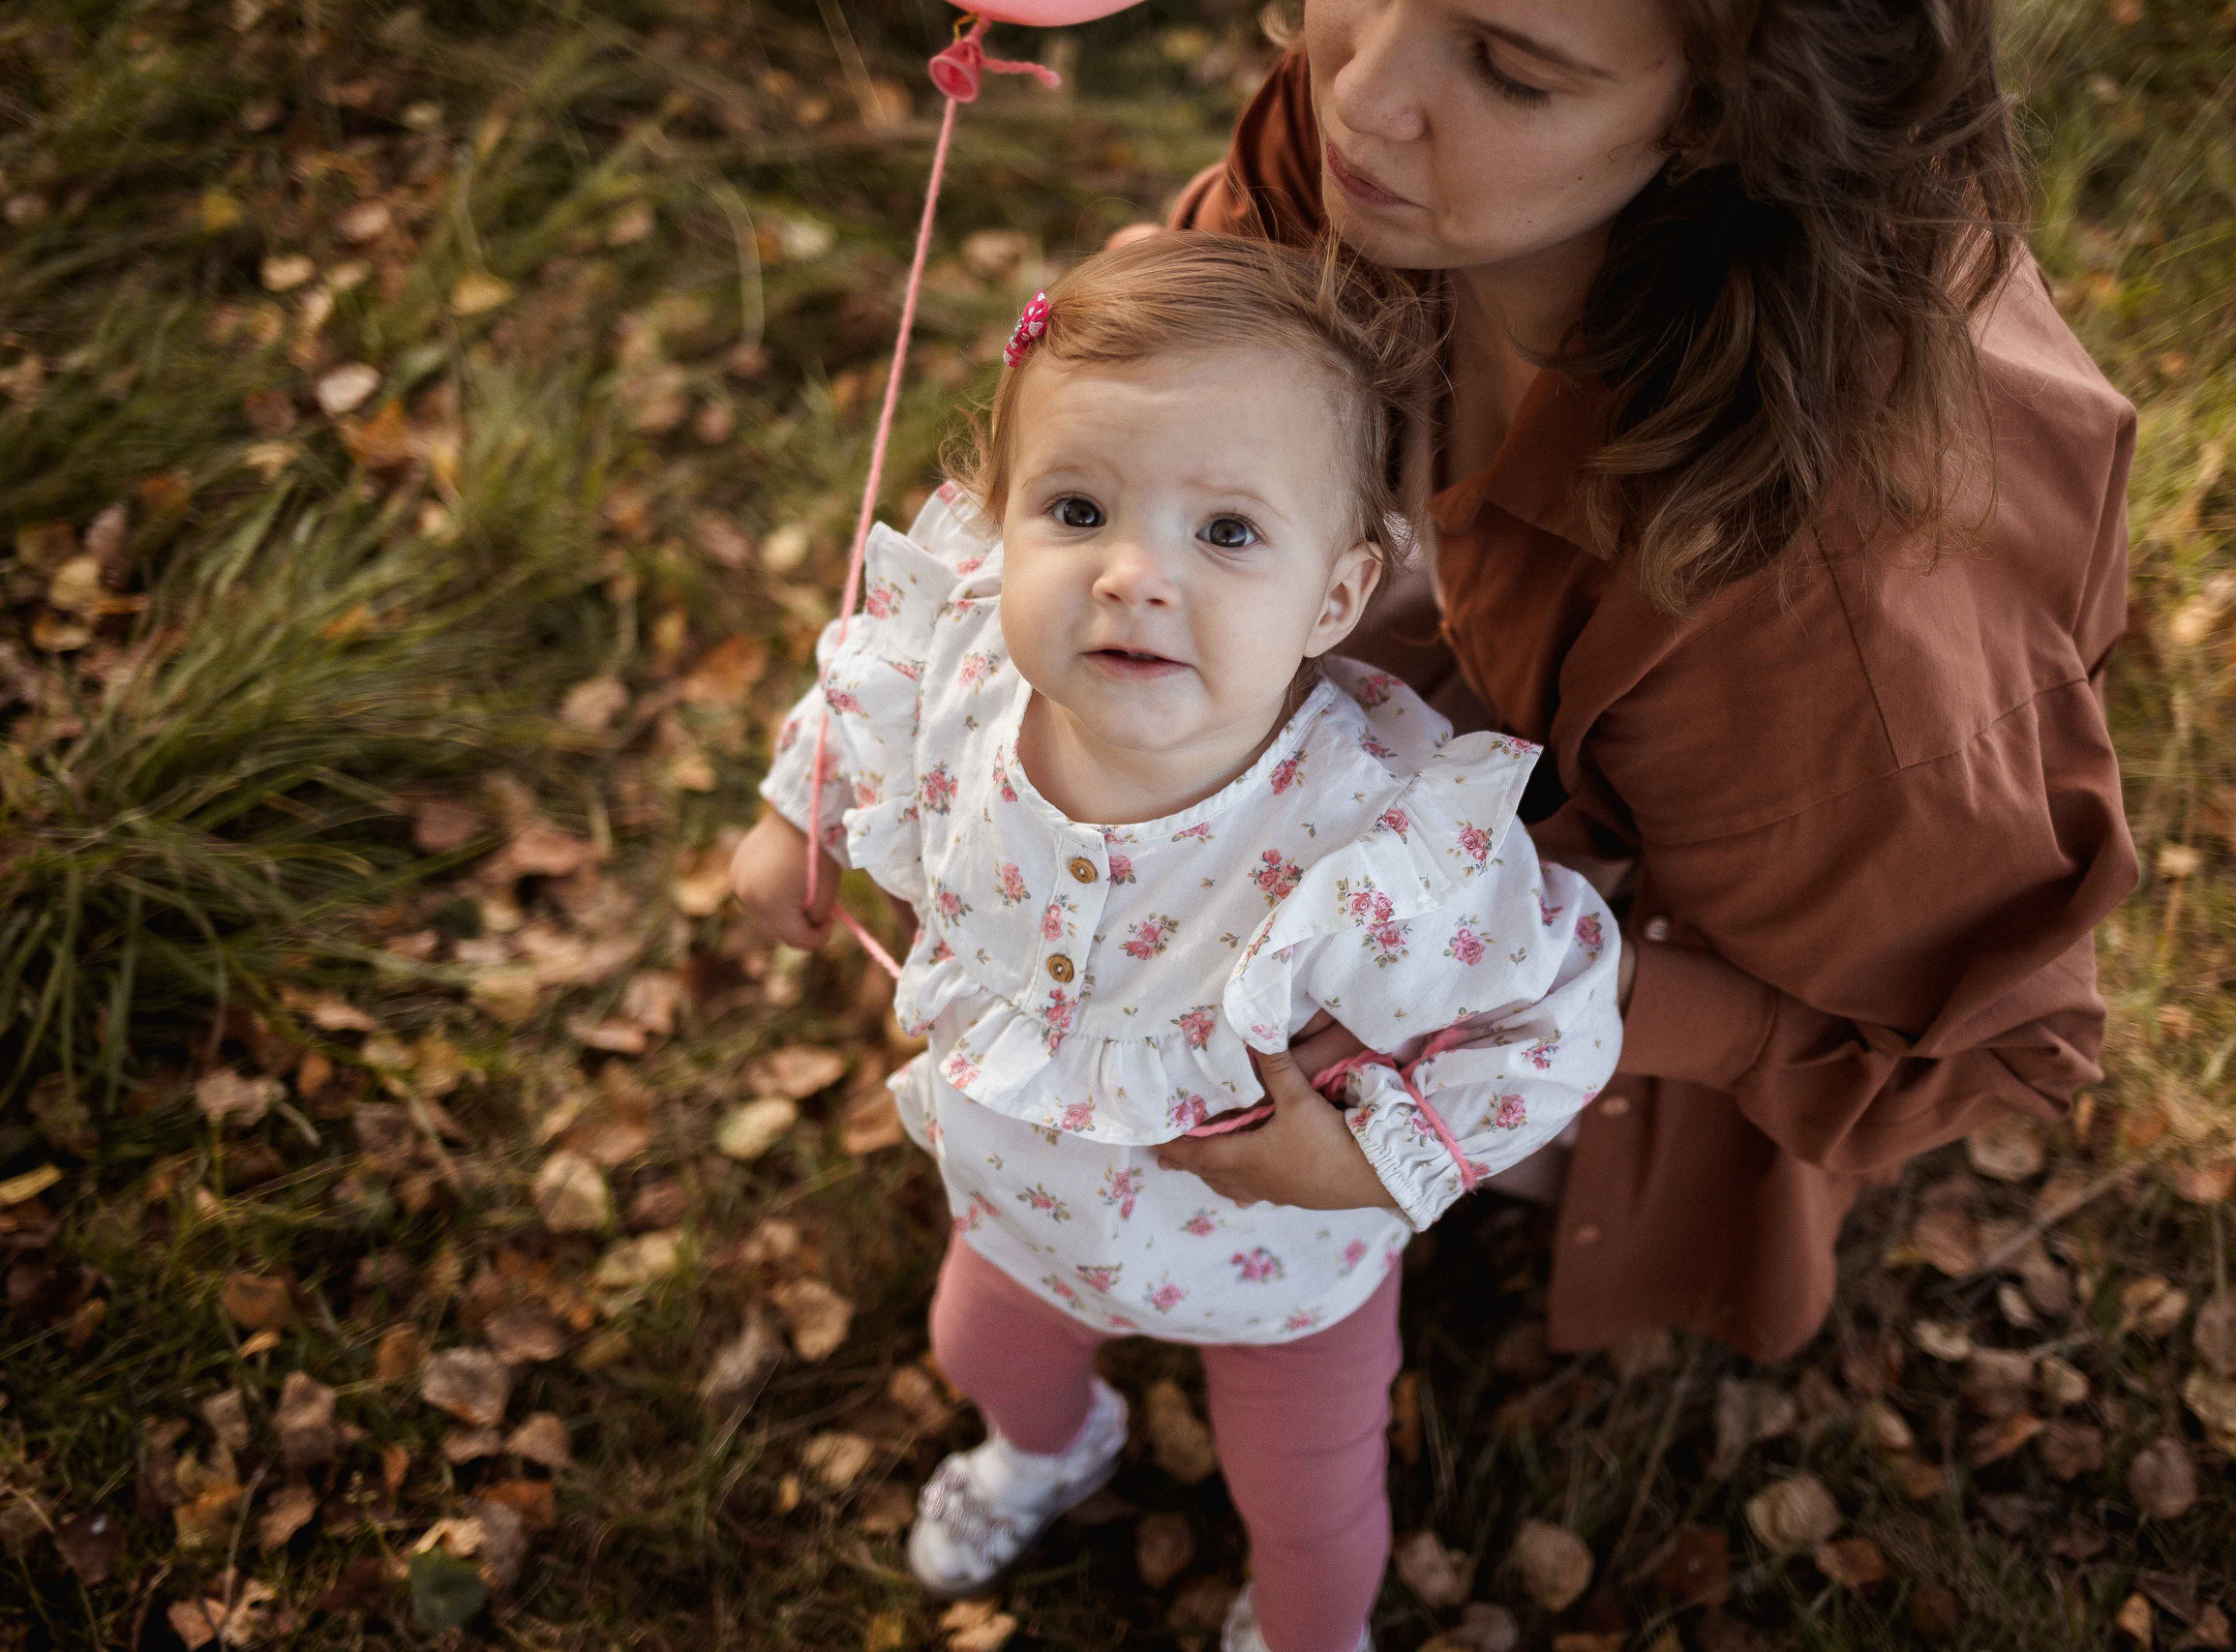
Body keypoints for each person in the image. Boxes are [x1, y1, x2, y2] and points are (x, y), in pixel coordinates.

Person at [1147, 0, 2141, 1364]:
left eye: (1511, 71)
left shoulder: (1805, 626)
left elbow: (1988, 1048)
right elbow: (1183, 361)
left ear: (1731, 122)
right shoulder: (1381, 144)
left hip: (1718, 874)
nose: (1358, 95)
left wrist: (1537, 1005)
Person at [730, 233, 1625, 1652]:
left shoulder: (1369, 839)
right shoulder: (968, 669)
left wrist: (1369, 1163)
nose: (1135, 575)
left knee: (1310, 1506)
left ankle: (1310, 1632)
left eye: (1227, 533)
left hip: (1275, 1253)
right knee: (980, 1348)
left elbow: (1558, 1006)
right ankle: (1052, 1446)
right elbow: (865, 691)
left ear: (1335, 597)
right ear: (1003, 526)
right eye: (1078, 509)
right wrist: (800, 817)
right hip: (1025, 1197)